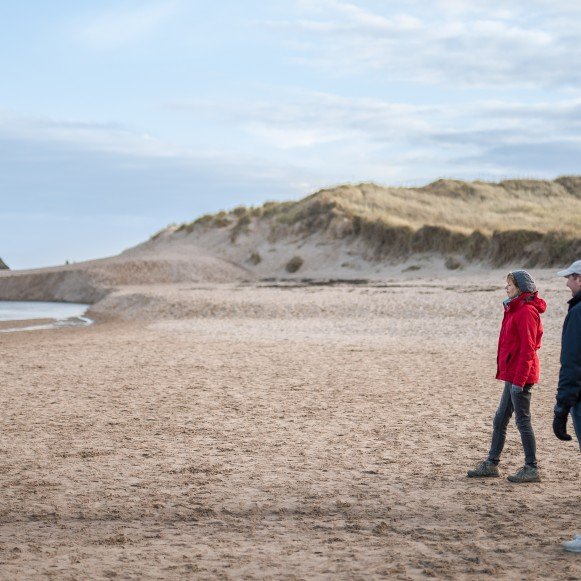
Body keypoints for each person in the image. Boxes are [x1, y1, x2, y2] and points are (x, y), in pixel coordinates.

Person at [467, 270, 546, 483]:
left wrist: (519, 382)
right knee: (500, 419)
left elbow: (528, 350)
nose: (506, 288)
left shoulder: (527, 312)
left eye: (509, 285)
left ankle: (532, 467)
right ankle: (492, 464)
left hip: (522, 376)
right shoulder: (514, 308)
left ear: (520, 288)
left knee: (522, 420)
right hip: (512, 373)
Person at [551, 260, 581, 552]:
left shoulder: (579, 311)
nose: (567, 283)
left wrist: (561, 408)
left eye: (571, 278)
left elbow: (571, 364)